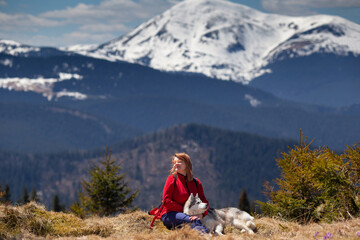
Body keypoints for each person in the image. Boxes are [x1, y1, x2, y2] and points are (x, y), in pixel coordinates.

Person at [159, 153, 210, 233]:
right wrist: (187, 212)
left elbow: (204, 201)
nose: (176, 164)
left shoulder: (196, 182)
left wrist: (202, 214)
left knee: (194, 224)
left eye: (179, 161)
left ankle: (201, 235)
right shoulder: (172, 179)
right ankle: (207, 236)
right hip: (170, 214)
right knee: (194, 221)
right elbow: (166, 201)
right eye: (174, 162)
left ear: (187, 164)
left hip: (189, 215)